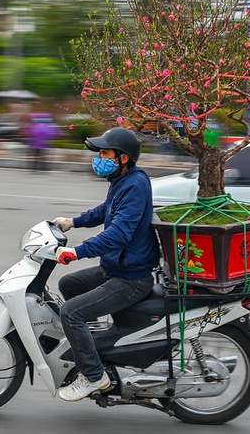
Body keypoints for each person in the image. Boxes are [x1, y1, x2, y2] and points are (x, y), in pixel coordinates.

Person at [51, 127, 160, 402]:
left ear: (123, 157)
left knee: (71, 314)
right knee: (69, 284)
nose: (99, 158)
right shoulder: (121, 180)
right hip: (115, 268)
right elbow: (105, 210)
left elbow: (119, 233)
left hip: (131, 278)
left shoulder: (135, 184)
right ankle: (96, 347)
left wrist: (77, 252)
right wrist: (73, 222)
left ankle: (93, 376)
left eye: (104, 153)